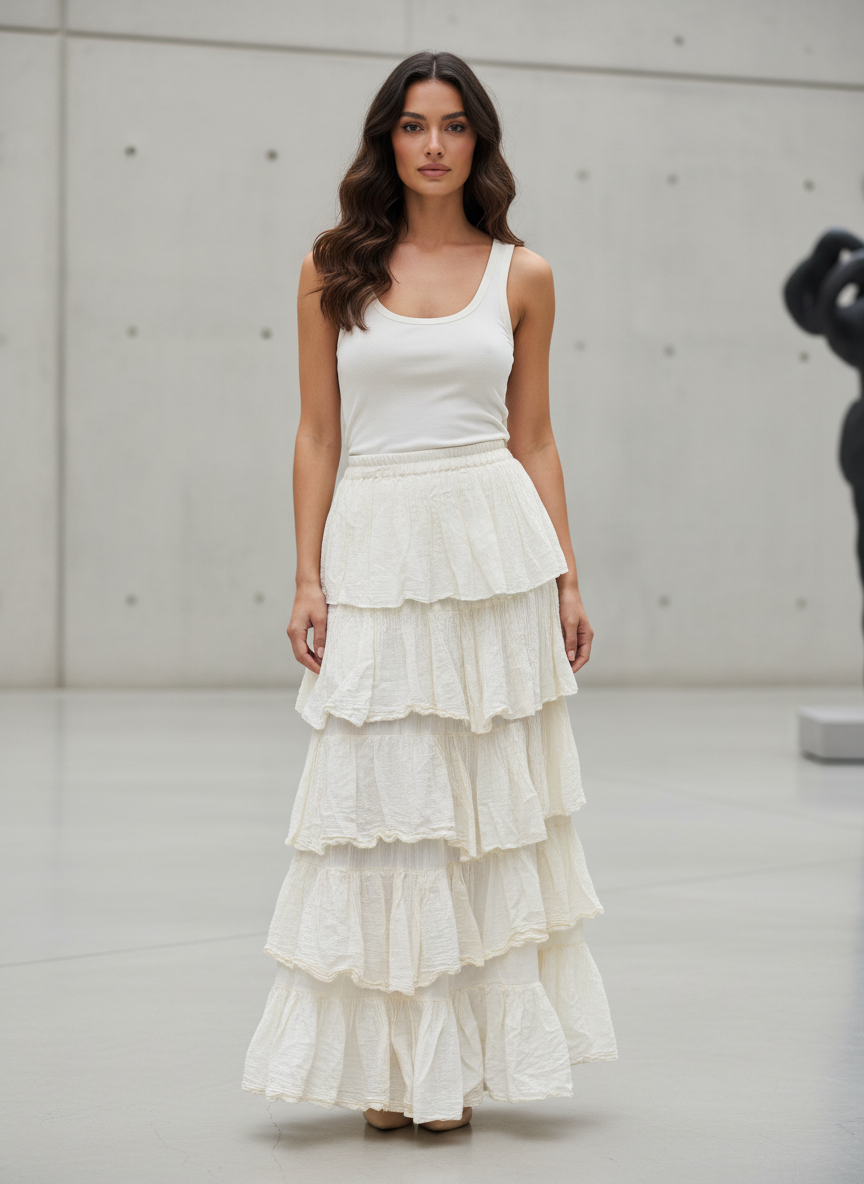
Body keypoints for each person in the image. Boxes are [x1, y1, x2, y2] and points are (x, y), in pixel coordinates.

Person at [242, 50, 617, 1133]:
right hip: (378, 540)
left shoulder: (524, 273)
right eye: (414, 125)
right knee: (384, 807)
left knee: (475, 809)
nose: (435, 144)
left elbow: (534, 436)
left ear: (479, 142)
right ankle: (389, 1067)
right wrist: (309, 571)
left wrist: (567, 576)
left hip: (492, 542)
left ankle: (446, 1073)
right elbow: (317, 433)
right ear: (388, 141)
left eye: (454, 125)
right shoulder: (332, 265)